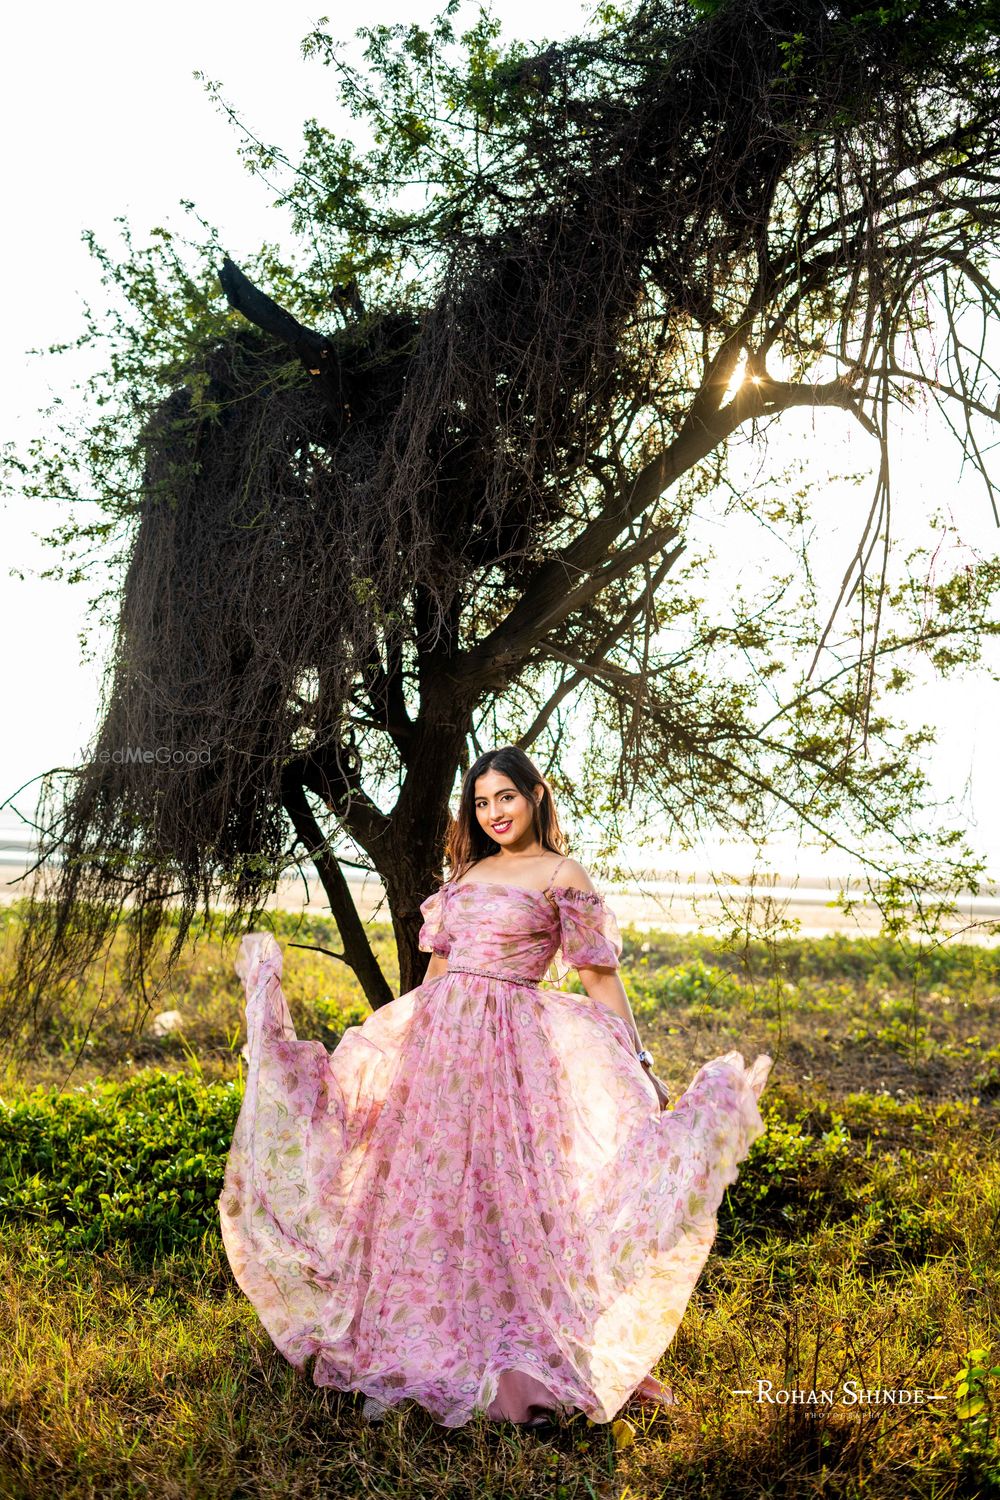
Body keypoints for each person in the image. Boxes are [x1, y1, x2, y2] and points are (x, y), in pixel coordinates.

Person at [218, 745, 772, 1430]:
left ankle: (522, 1359)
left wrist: (640, 1058)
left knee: (512, 1197)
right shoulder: (468, 873)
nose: (493, 812)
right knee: (433, 1193)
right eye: (481, 802)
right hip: (440, 1052)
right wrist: (400, 1051)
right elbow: (437, 977)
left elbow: (598, 976)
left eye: (505, 797)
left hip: (514, 1059)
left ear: (535, 795)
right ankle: (422, 1339)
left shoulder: (564, 875)